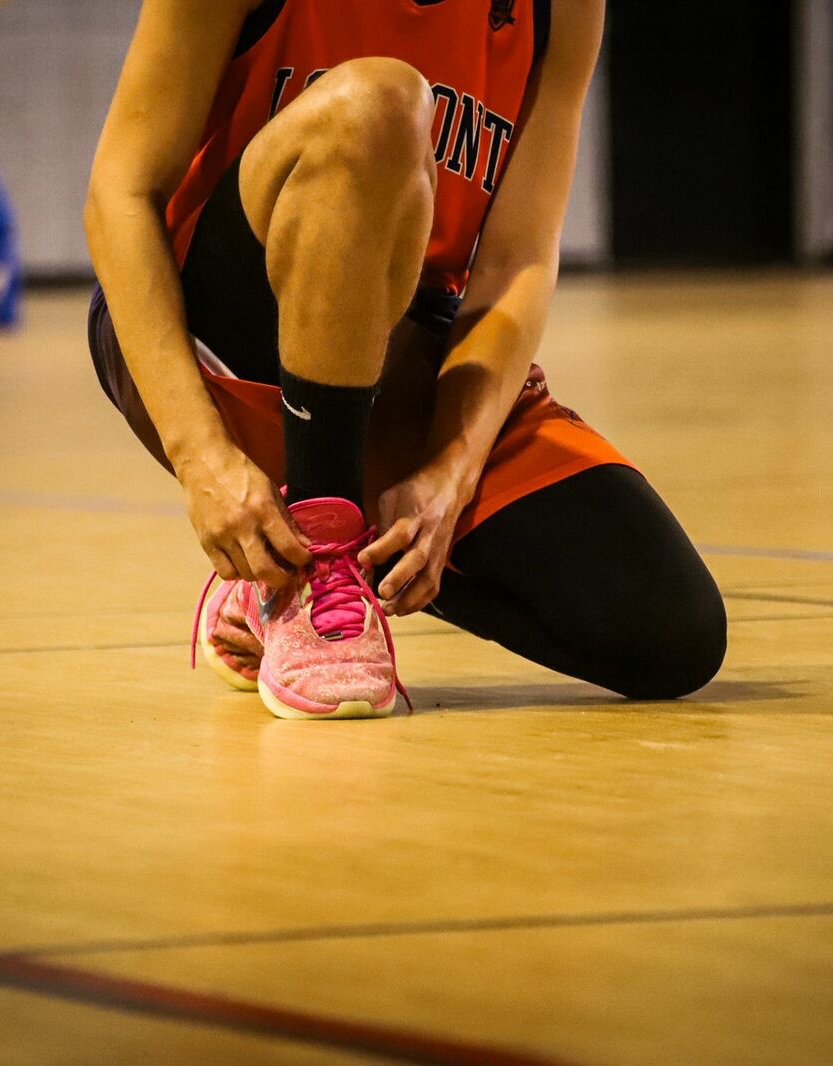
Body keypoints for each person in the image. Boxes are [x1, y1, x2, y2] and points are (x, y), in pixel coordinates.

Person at [84, 0, 725, 720]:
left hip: (402, 330)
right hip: (205, 326)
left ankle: (285, 568)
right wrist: (199, 455)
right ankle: (319, 558)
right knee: (381, 104)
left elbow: (516, 260)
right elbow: (120, 193)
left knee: (671, 630)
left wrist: (450, 476)